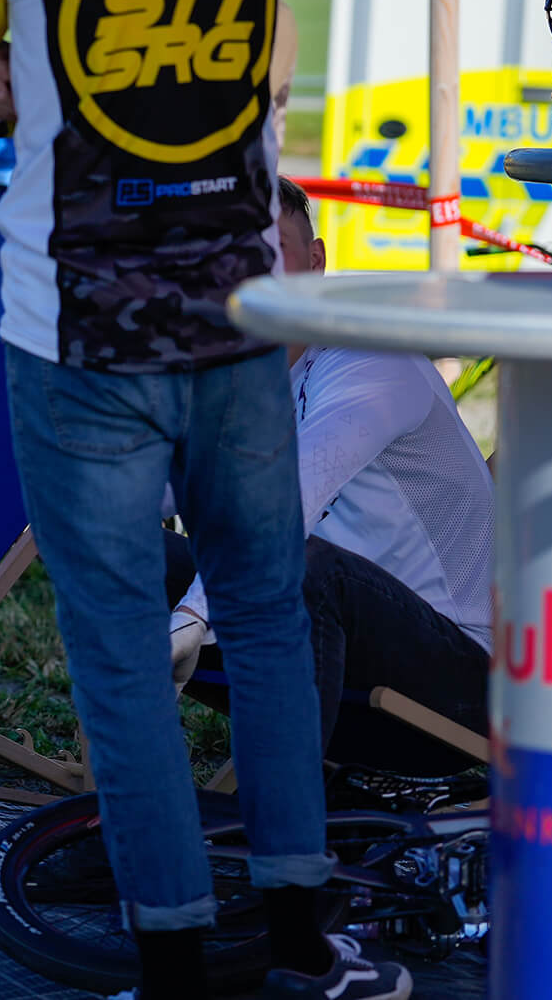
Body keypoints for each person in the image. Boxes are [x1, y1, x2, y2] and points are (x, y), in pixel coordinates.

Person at [0, 0, 410, 999]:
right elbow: (271, 81)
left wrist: (14, 84)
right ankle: (302, 950)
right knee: (267, 626)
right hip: (235, 315)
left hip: (78, 335)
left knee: (123, 655)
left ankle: (174, 971)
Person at [170, 179, 496, 777]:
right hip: (338, 660)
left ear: (315, 262)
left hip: (461, 687)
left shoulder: (370, 357)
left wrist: (193, 613)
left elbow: (291, 496)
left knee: (304, 562)